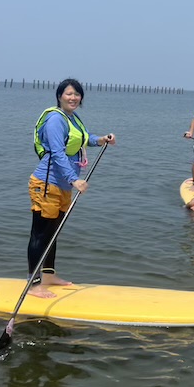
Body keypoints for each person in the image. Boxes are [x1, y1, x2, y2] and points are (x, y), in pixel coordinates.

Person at [27, 78, 116, 297]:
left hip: (62, 186)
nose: (73, 97)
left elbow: (83, 139)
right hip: (46, 184)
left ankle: (48, 275)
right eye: (68, 94)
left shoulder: (72, 118)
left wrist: (101, 139)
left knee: (53, 233)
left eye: (77, 94)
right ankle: (33, 284)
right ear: (59, 96)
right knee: (40, 234)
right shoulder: (55, 120)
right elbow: (57, 152)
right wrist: (73, 179)